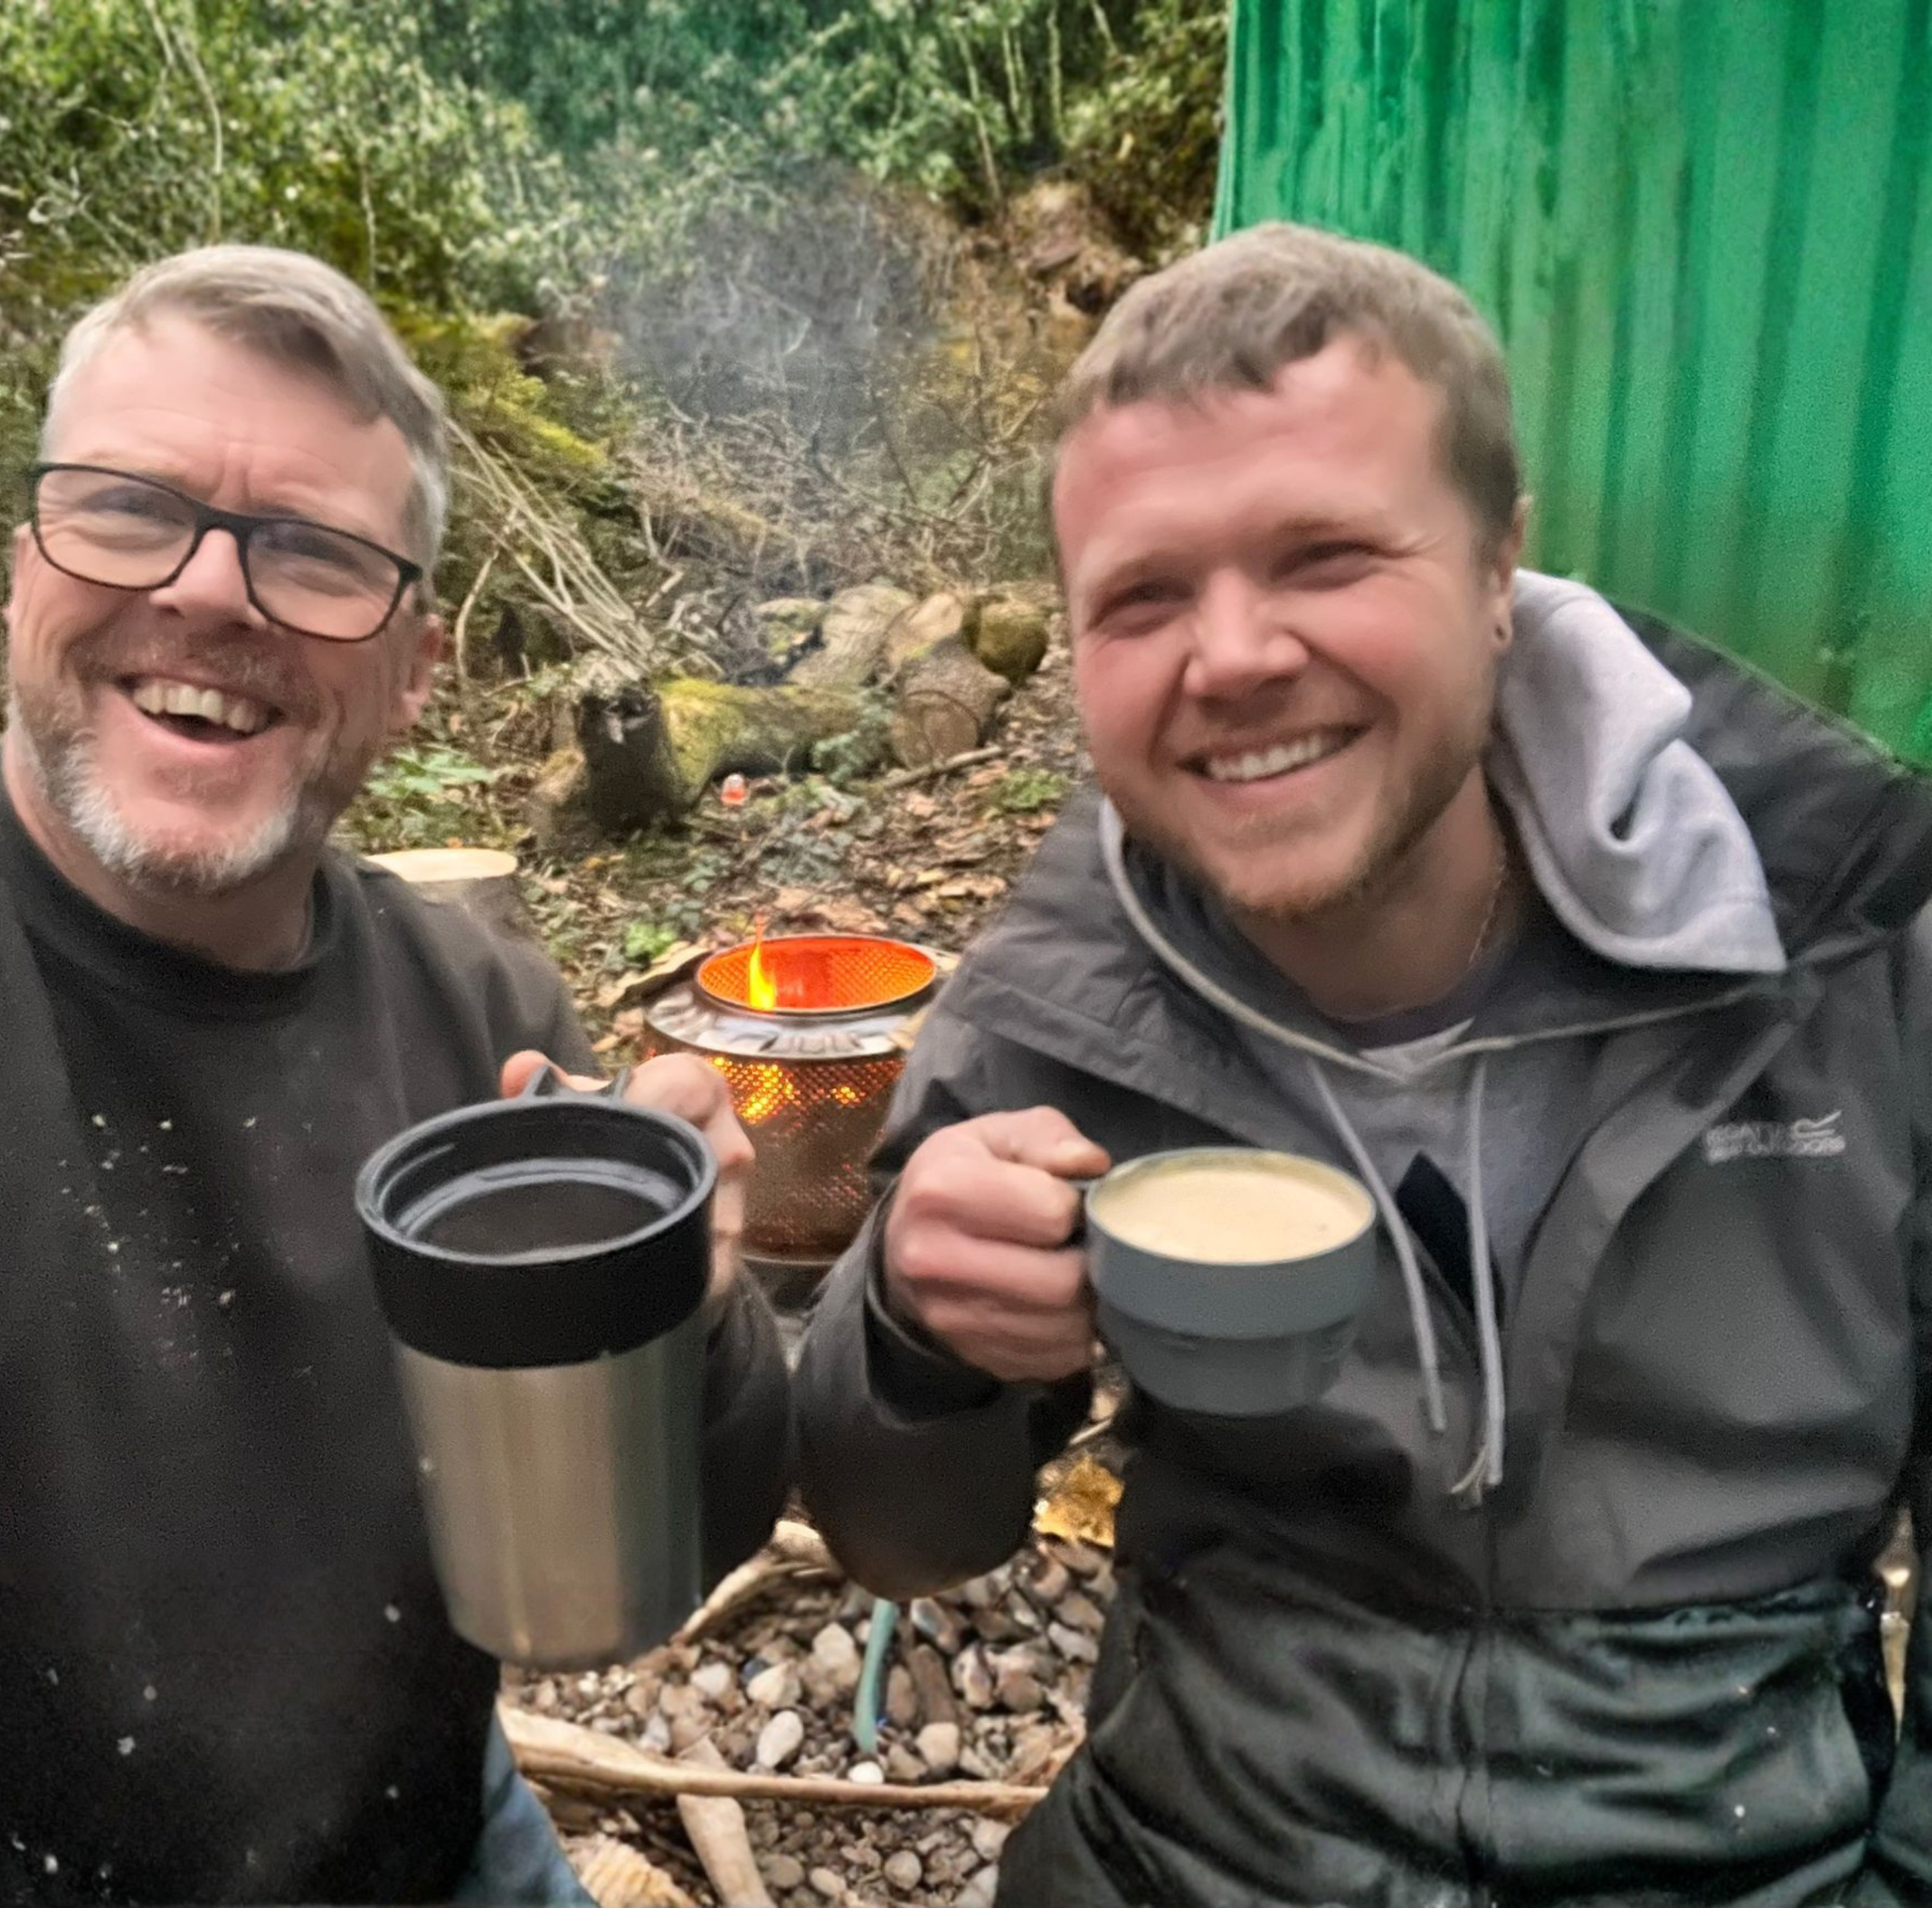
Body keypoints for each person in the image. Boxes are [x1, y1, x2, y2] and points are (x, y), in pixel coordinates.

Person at [793, 222, 1932, 1906]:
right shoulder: (1059, 1002)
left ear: (1497, 574)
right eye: (1144, 597)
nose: (1234, 654)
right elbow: (906, 1537)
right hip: (1203, 1852)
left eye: (1325, 556)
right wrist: (908, 1333)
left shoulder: (1850, 947)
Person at [0, 245, 791, 1906]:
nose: (210, 593)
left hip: (429, 1841)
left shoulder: (476, 1009)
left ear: (415, 666)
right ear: (21, 572)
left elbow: (691, 1514)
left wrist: (682, 1323)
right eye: (130, 508)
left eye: (317, 553)